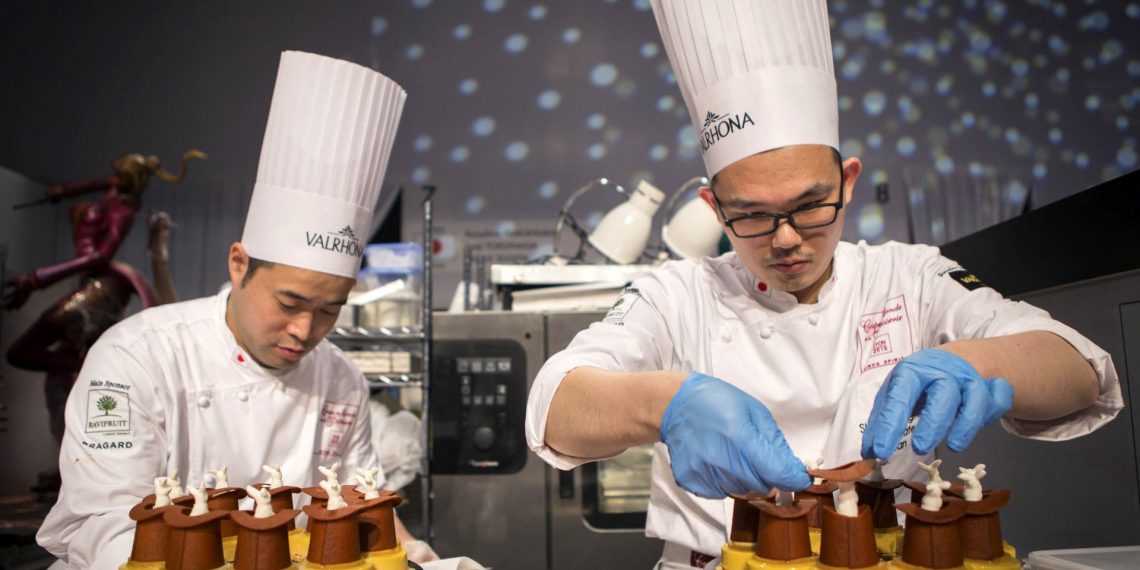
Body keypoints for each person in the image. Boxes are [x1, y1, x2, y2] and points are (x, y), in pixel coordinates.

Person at [524, 1, 1123, 568]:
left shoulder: (910, 275)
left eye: (811, 206)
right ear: (714, 207)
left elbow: (1081, 372)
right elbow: (554, 405)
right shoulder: (674, 294)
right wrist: (663, 404)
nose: (785, 240)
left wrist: (977, 361)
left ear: (848, 181)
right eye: (752, 215)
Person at [35, 51, 438, 568]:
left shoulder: (341, 380)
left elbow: (361, 512)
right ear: (238, 263)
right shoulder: (135, 358)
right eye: (289, 302)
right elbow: (105, 521)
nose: (305, 330)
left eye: (329, 311)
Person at [2, 151, 202, 444]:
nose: (113, 177)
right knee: (57, 364)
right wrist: (63, 191)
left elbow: (97, 256)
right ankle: (72, 446)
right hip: (96, 284)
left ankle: (78, 435)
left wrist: (37, 278)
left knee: (35, 354)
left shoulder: (123, 208)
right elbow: (93, 184)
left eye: (121, 173)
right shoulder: (113, 194)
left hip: (101, 287)